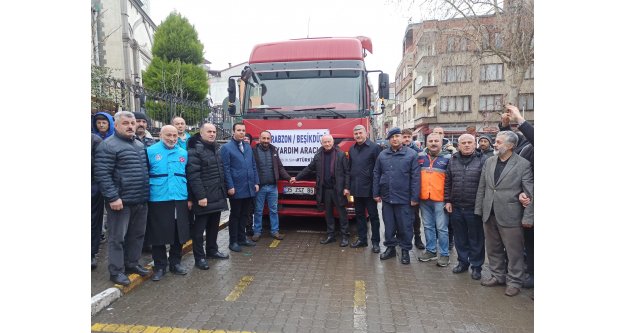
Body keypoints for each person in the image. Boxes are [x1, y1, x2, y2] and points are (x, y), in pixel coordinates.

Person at [475, 131, 534, 297]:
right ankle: (497, 275)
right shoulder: (489, 161)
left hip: (511, 215)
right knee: (493, 249)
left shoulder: (522, 164)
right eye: (496, 141)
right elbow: (483, 187)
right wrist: (479, 209)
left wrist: (528, 216)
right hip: (489, 212)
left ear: (510, 146)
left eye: (499, 142)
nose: (495, 144)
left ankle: (514, 281)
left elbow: (530, 192)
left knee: (514, 251)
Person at [94, 111, 150, 286]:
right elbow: (102, 174)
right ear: (116, 125)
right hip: (120, 202)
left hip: (140, 199)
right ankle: (116, 271)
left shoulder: (139, 145)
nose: (131, 126)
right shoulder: (108, 145)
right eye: (126, 123)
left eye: (132, 123)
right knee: (117, 238)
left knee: (137, 235)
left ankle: (132, 263)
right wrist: (112, 197)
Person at [145, 125, 191, 281]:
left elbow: (188, 176)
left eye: (175, 135)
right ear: (160, 135)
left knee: (178, 233)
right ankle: (159, 266)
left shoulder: (183, 153)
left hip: (179, 198)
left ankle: (175, 263)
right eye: (168, 135)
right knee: (158, 234)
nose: (172, 138)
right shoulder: (150, 152)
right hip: (158, 198)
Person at [291, 134, 351, 246]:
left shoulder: (341, 154)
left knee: (342, 213)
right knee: (328, 214)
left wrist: (347, 187)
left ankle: (345, 236)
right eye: (325, 142)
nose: (327, 144)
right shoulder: (318, 155)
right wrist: (297, 177)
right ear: (321, 143)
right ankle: (330, 235)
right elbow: (309, 168)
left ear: (333, 142)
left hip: (338, 189)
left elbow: (347, 172)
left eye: (329, 142)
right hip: (325, 190)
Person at [372, 127, 420, 264]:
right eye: (392, 137)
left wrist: (415, 197)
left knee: (405, 226)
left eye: (397, 136)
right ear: (389, 139)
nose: (395, 139)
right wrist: (376, 193)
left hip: (405, 198)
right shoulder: (382, 155)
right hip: (387, 197)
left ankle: (405, 251)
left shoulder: (411, 154)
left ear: (401, 138)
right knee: (389, 225)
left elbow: (416, 177)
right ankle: (390, 248)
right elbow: (376, 174)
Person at [186, 123, 230, 269]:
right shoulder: (195, 150)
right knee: (199, 231)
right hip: (204, 198)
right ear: (201, 132)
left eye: (214, 131)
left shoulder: (216, 148)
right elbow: (194, 176)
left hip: (217, 195)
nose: (212, 134)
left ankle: (212, 250)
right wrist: (200, 197)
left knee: (213, 227)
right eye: (209, 131)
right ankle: (199, 258)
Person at [444, 134, 487, 280]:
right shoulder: (453, 160)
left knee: (476, 238)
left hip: (474, 207)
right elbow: (448, 182)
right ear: (458, 145)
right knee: (460, 238)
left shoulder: (483, 160)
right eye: (464, 143)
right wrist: (448, 200)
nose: (467, 145)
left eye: (470, 142)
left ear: (475, 144)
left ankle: (476, 266)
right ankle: (463, 262)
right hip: (456, 206)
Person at [221, 122, 259, 252]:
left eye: (243, 130)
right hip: (236, 188)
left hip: (249, 186)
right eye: (239, 130)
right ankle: (233, 241)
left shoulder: (248, 147)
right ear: (233, 132)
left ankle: (242, 238)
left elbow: (253, 165)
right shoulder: (226, 148)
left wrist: (256, 182)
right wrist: (230, 186)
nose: (241, 132)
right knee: (235, 215)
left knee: (245, 214)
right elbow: (225, 169)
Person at [416, 132, 452, 267]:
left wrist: (449, 199)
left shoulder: (449, 158)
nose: (433, 143)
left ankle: (444, 254)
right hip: (424, 198)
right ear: (426, 143)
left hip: (440, 199)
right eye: (430, 141)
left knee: (442, 228)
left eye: (436, 140)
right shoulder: (420, 157)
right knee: (428, 226)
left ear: (441, 143)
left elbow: (451, 180)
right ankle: (431, 251)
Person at [347, 125, 383, 253]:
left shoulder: (375, 148)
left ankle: (375, 242)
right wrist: (348, 187)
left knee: (373, 217)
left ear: (366, 133)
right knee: (359, 216)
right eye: (355, 133)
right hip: (356, 190)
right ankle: (362, 240)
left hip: (370, 190)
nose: (358, 135)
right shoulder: (352, 149)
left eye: (360, 133)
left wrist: (377, 190)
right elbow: (349, 169)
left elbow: (379, 170)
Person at [251, 130, 291, 241]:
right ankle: (257, 232)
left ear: (270, 139)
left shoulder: (274, 150)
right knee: (258, 211)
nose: (266, 141)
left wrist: (289, 178)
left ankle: (275, 231)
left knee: (274, 210)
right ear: (259, 139)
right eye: (263, 138)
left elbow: (280, 167)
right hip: (260, 187)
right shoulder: (253, 151)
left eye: (268, 138)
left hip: (273, 187)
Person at [401, 128, 425, 250]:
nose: (406, 139)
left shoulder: (419, 152)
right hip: (401, 189)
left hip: (414, 188)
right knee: (401, 216)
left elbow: (421, 171)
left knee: (415, 216)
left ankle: (418, 238)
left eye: (408, 137)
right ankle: (401, 238)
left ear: (411, 138)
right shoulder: (396, 150)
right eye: (404, 136)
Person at [91, 133, 104, 270]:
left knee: (93, 221)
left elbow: (100, 166)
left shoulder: (95, 140)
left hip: (93, 185)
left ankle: (91, 253)